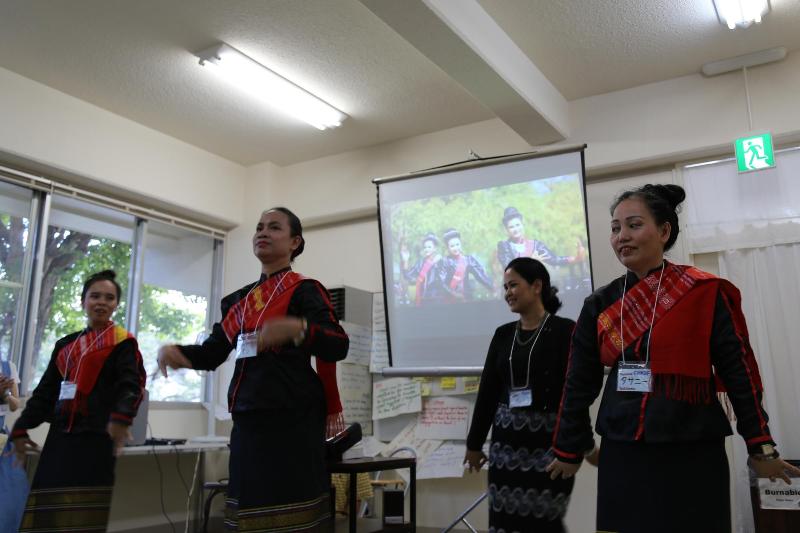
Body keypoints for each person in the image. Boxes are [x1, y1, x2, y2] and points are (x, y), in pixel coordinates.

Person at [547, 184, 800, 533]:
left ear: (664, 230)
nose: (622, 236)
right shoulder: (600, 303)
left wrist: (761, 445)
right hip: (623, 449)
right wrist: (568, 447)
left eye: (634, 225)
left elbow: (739, 372)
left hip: (692, 447)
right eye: (615, 228)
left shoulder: (704, 293)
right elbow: (578, 381)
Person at [156, 207, 349, 532]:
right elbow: (213, 352)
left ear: (294, 242)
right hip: (248, 419)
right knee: (249, 514)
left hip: (294, 419)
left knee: (295, 514)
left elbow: (337, 344)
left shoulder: (306, 290)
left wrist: (297, 328)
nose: (262, 232)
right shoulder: (241, 301)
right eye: (259, 227)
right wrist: (178, 353)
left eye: (274, 228)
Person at [10, 270, 146, 532]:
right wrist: (21, 427)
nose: (101, 302)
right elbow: (45, 394)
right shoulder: (65, 345)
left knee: (84, 519)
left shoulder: (123, 343)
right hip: (59, 441)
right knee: (46, 517)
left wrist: (121, 419)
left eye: (109, 297)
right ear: (83, 301)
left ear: (116, 304)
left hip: (95, 441)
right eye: (95, 296)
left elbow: (131, 386)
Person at [464, 258, 582, 533]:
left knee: (545, 521)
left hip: (550, 444)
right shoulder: (503, 335)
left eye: (514, 285)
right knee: (505, 522)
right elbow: (488, 391)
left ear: (537, 285)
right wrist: (474, 444)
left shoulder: (565, 330)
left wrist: (576, 447)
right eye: (505, 287)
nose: (508, 292)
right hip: (506, 447)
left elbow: (575, 393)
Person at [496, 207, 584, 270]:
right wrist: (531, 261)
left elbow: (554, 259)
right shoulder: (504, 246)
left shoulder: (535, 245)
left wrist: (576, 258)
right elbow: (510, 269)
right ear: (506, 230)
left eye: (518, 225)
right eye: (511, 227)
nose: (515, 229)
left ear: (523, 225)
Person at [439, 228, 494, 301]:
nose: (456, 248)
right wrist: (454, 294)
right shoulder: (444, 262)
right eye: (452, 246)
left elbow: (480, 275)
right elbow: (441, 283)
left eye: (457, 244)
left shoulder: (468, 260)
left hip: (466, 297)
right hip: (450, 299)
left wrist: (492, 287)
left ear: (460, 244)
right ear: (447, 248)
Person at [400, 232, 444, 305]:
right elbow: (408, 276)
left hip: (437, 300)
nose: (427, 249)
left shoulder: (440, 261)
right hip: (423, 300)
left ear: (435, 248)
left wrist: (436, 263)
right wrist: (406, 260)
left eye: (429, 247)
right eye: (425, 247)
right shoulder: (420, 263)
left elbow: (444, 280)